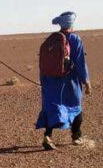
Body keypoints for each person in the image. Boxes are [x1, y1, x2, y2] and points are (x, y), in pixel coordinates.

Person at [36, 11, 91, 150]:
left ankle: (47, 136)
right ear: (71, 23)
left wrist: (44, 82)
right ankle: (77, 136)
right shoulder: (75, 39)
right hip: (69, 82)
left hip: (50, 81)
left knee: (52, 108)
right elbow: (80, 63)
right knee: (76, 107)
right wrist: (86, 81)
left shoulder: (51, 39)